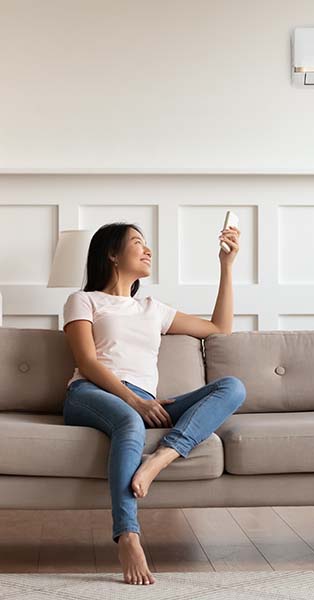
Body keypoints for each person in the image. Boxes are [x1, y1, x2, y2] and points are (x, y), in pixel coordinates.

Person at [62, 221, 245, 586]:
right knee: (129, 423)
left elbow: (219, 328)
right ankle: (128, 536)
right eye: (137, 243)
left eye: (147, 244)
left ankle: (162, 456)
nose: (147, 250)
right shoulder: (83, 300)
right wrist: (132, 400)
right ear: (112, 254)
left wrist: (226, 267)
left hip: (146, 401)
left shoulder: (152, 308)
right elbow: (86, 361)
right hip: (91, 394)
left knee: (232, 387)